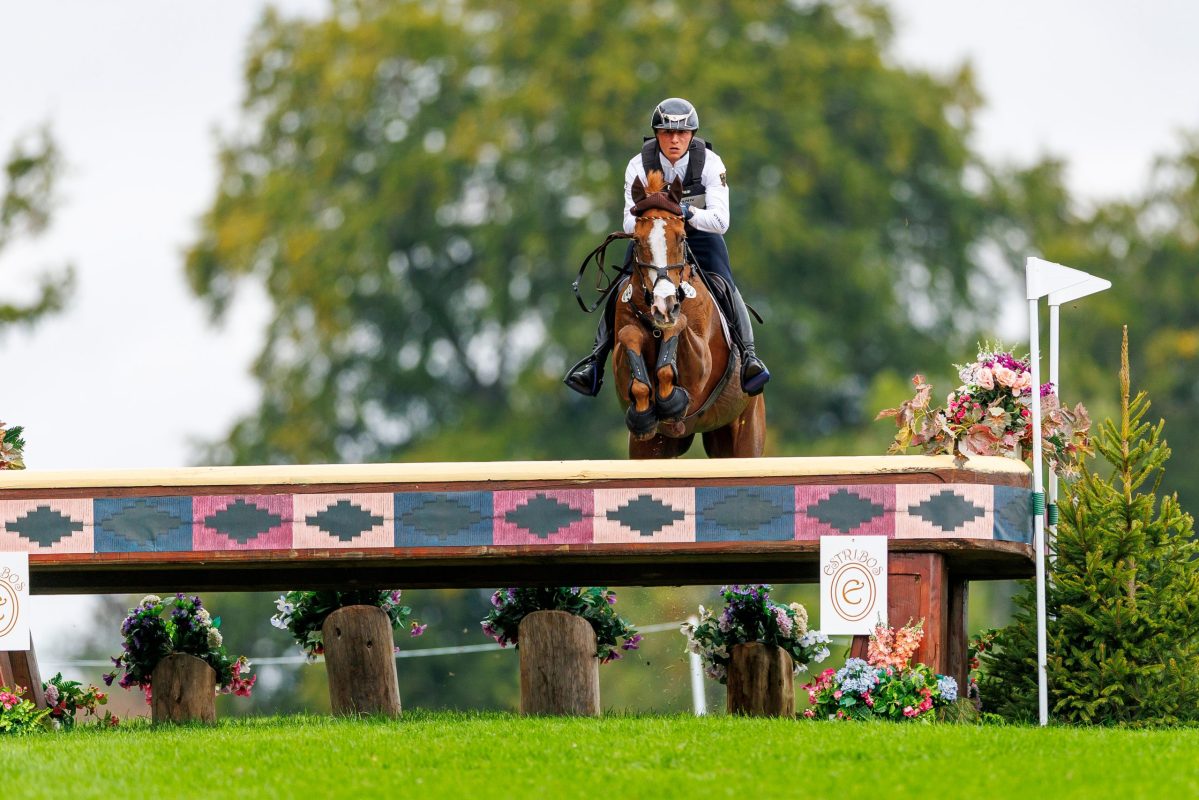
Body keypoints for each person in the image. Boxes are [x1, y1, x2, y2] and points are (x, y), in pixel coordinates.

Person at [563, 97, 770, 397]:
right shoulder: (638, 165)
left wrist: (683, 214)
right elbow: (627, 222)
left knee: (725, 284)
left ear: (692, 135)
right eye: (667, 132)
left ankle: (748, 355)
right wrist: (656, 218)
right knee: (622, 288)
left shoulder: (711, 164)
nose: (674, 139)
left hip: (697, 234)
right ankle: (595, 360)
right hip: (652, 238)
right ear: (657, 134)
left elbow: (721, 221)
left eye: (682, 133)